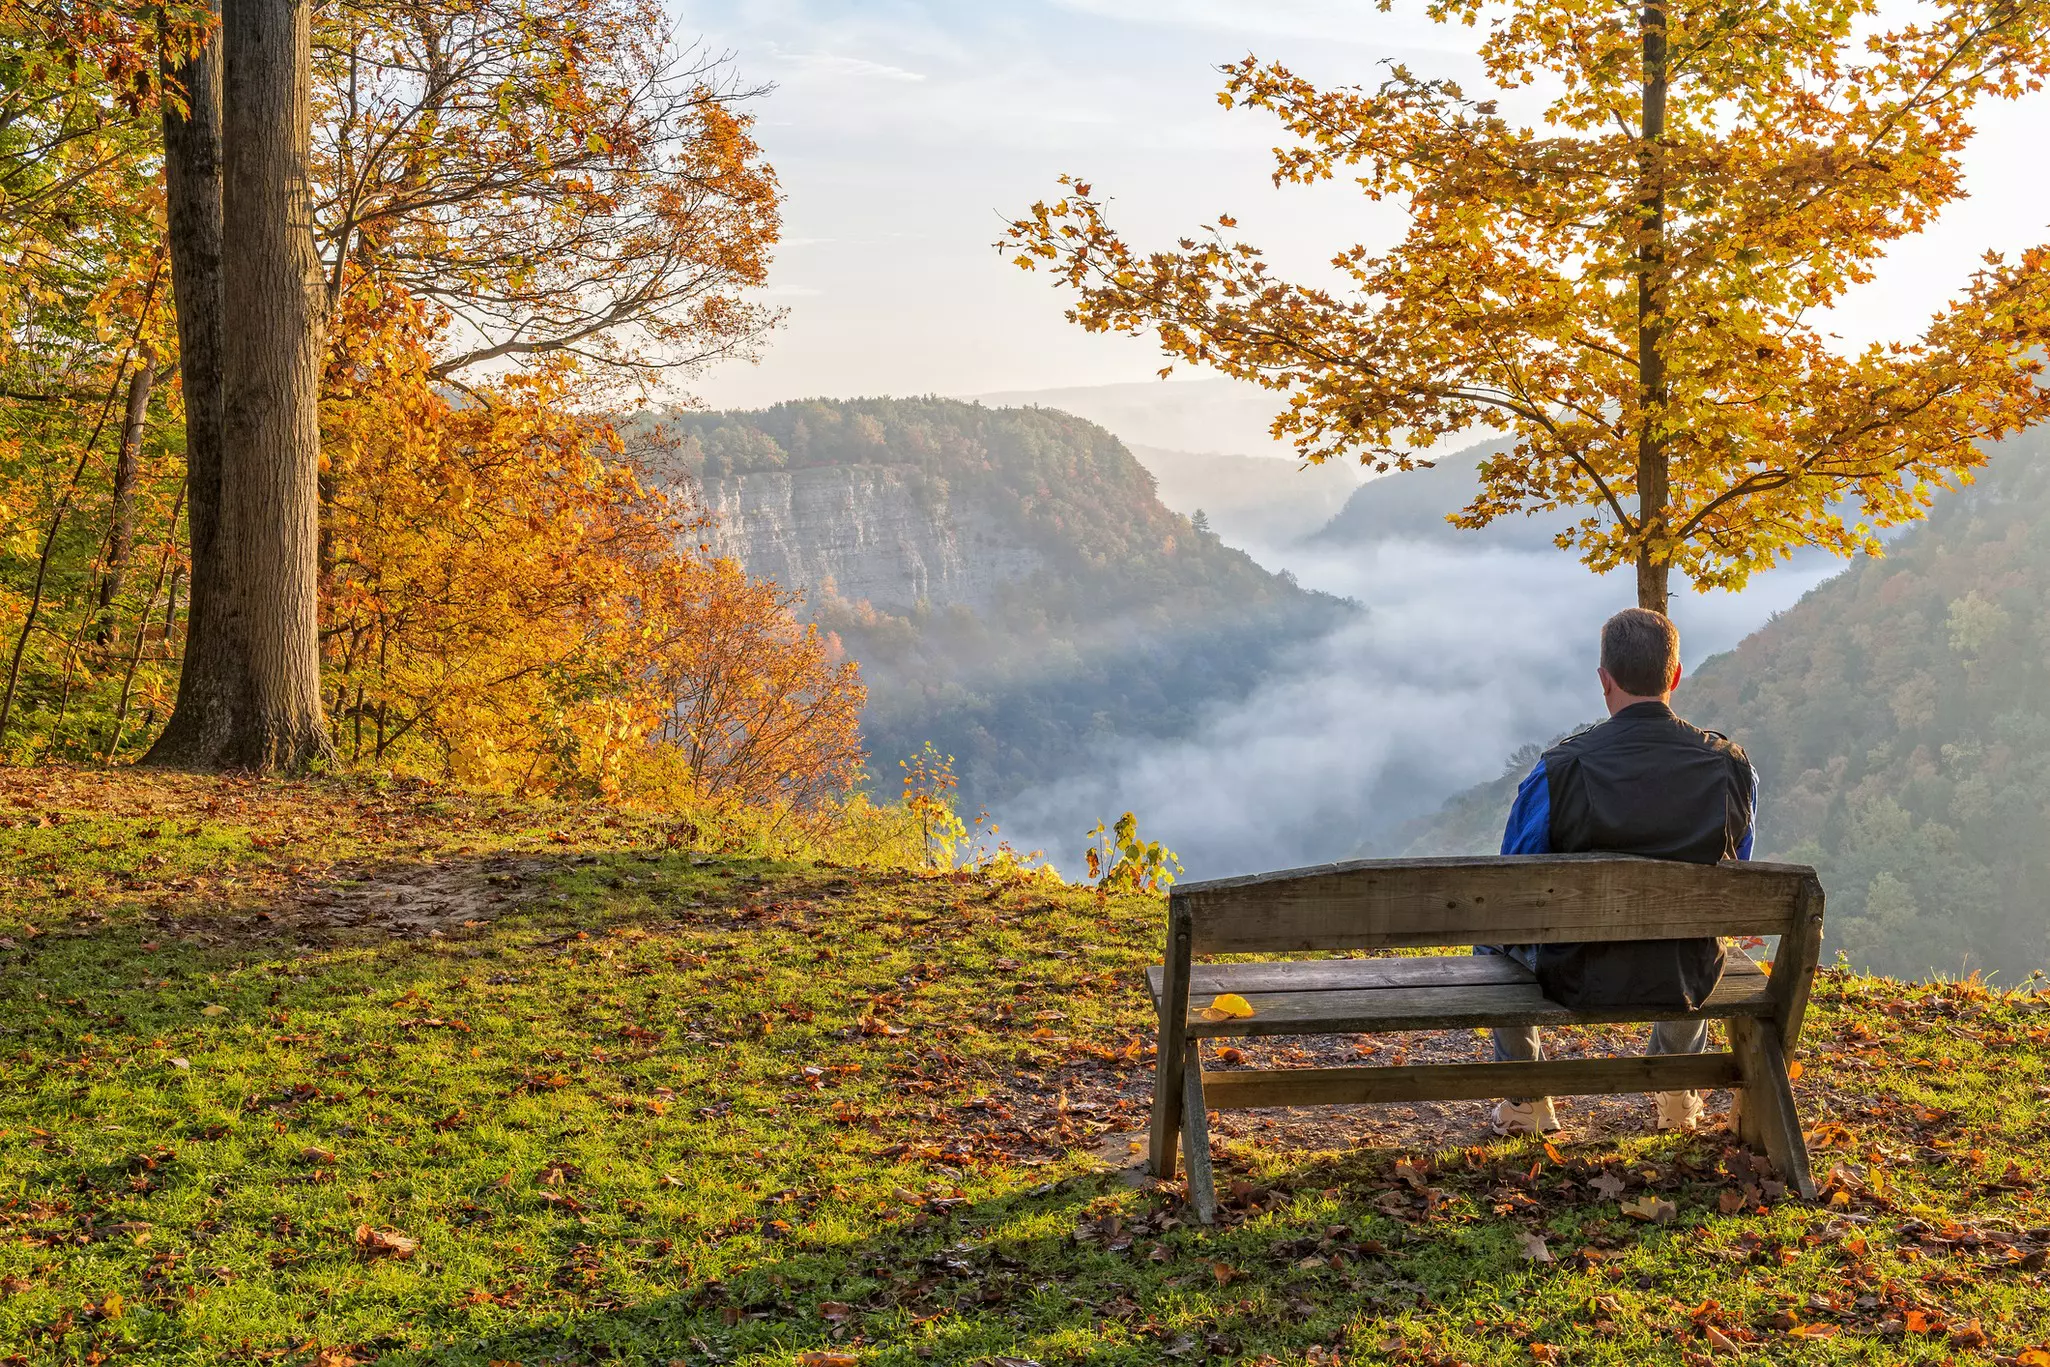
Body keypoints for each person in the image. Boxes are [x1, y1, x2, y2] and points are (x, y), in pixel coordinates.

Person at [1482, 607, 1759, 1137]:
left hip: (1573, 971)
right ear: (1675, 676)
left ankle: (1525, 1102)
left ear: (1604, 681)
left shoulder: (1559, 771)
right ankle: (1677, 1093)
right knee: (1700, 925)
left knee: (1495, 935)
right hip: (1683, 969)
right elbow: (1736, 871)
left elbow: (1513, 884)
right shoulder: (1730, 767)